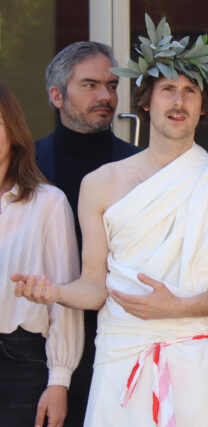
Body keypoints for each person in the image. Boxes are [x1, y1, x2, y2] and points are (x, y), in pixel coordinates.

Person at [13, 15, 208, 426]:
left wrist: (179, 307)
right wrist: (54, 291)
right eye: (168, 89)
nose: (179, 101)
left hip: (199, 362)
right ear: (145, 101)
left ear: (203, 106)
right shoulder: (100, 184)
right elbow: (94, 287)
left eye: (191, 91)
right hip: (121, 358)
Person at [35, 41, 141, 426]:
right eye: (90, 85)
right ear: (56, 96)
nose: (105, 97)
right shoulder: (27, 164)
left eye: (112, 86)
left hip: (116, 336)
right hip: (40, 341)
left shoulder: (139, 166)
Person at [0, 81, 82, 427]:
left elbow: (64, 297)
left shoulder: (48, 203)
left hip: (20, 365)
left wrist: (59, 379)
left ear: (13, 130)